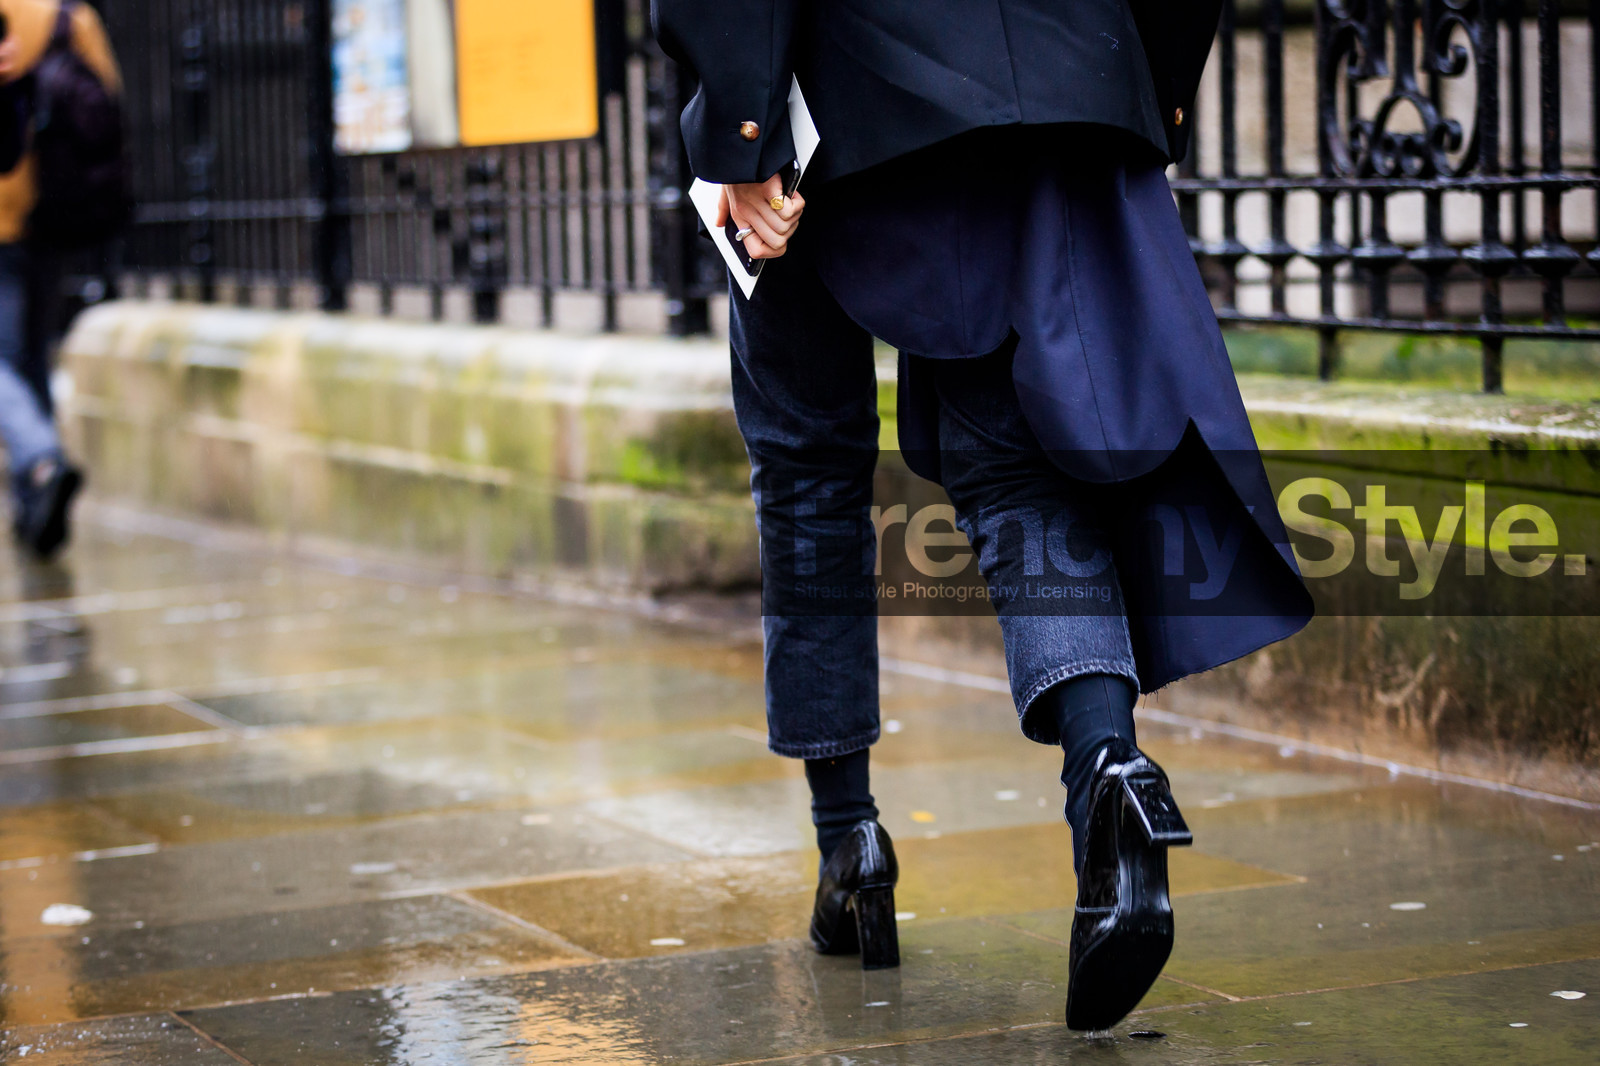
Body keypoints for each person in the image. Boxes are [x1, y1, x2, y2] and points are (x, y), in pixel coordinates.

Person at [652, 0, 1314, 1032]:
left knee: (808, 465)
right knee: (1015, 470)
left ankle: (850, 846)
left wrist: (740, 125)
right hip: (1058, 67)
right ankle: (1108, 770)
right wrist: (1146, 89)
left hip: (827, 80)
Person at [0, 0, 119, 558]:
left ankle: (41, 462)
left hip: (6, 216)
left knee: (9, 360)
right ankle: (36, 505)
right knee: (29, 357)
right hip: (49, 209)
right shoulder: (70, 15)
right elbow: (109, 98)